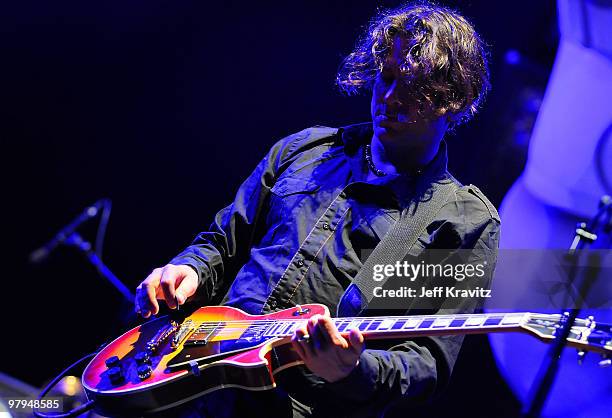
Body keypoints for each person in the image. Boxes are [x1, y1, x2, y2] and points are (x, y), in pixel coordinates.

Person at [135, 2, 500, 417]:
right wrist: (190, 269)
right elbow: (222, 242)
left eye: (414, 89)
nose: (391, 98)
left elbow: (425, 362)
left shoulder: (460, 219)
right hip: (194, 385)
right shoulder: (304, 150)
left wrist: (351, 369)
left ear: (452, 100)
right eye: (387, 77)